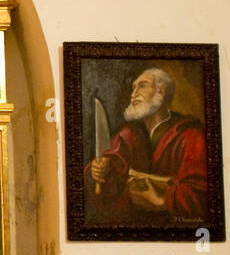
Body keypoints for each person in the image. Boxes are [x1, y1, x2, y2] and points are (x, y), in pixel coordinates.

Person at [87, 67, 208, 222]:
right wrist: (99, 170)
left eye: (142, 86)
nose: (133, 95)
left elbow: (202, 196)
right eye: (133, 88)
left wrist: (164, 198)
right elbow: (109, 180)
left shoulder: (191, 136)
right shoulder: (128, 135)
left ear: (161, 91)